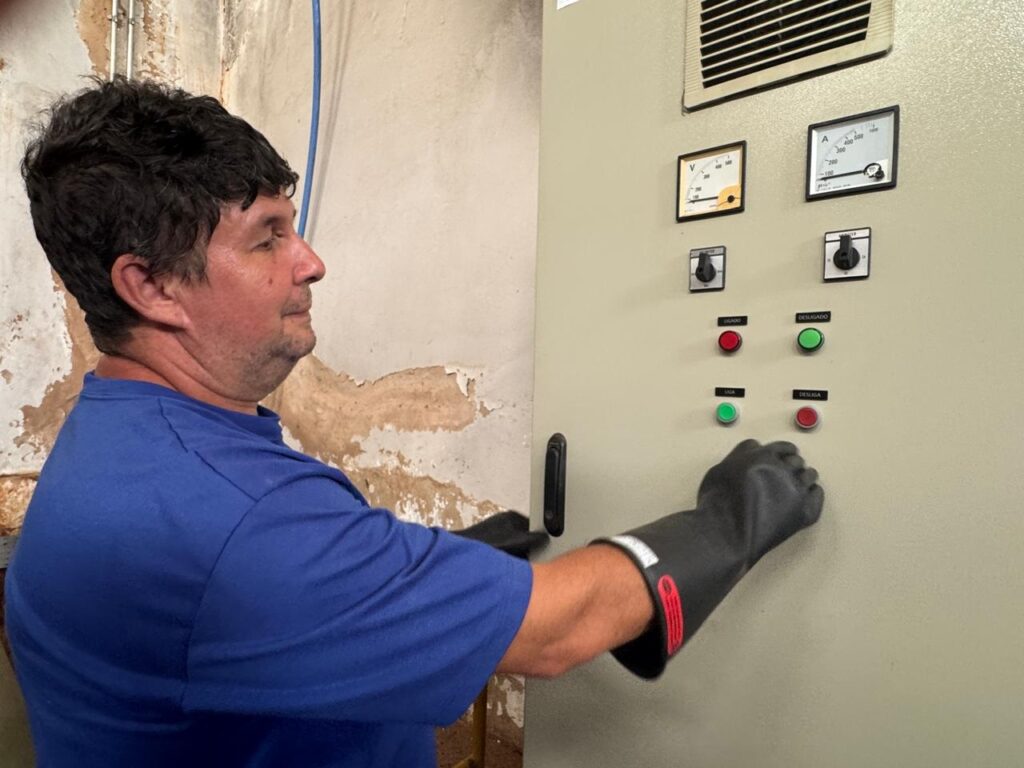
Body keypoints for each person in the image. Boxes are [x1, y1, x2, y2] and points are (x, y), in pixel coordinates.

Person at [5, 78, 823, 768]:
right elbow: (557, 631)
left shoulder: (117, 438)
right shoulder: (237, 518)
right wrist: (731, 519)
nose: (311, 260)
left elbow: (248, 613)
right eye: (267, 239)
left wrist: (433, 575)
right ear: (152, 287)